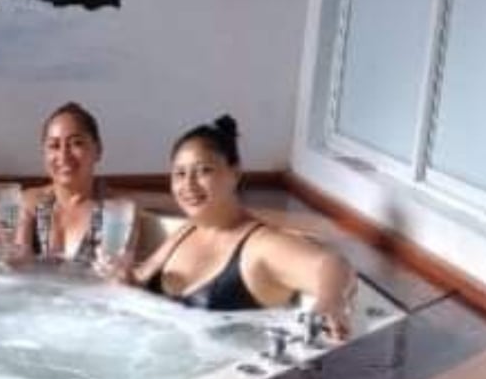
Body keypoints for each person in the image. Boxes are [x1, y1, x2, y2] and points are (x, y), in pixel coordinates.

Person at [121, 114, 356, 338]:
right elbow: (136, 279)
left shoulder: (260, 246)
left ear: (235, 173)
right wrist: (121, 275)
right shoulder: (189, 230)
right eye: (179, 174)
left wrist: (331, 301)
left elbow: (333, 264)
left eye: (204, 171)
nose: (189, 185)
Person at [8, 101, 138, 265]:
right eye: (54, 146)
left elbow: (115, 272)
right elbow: (19, 266)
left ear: (98, 150)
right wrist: (5, 245)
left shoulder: (118, 211)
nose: (63, 156)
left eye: (76, 143)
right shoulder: (30, 203)